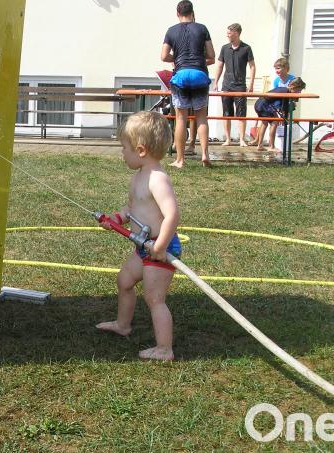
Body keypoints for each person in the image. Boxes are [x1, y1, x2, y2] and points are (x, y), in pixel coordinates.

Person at [96, 111, 181, 361]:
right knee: (124, 281)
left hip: (160, 249)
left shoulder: (158, 179)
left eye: (125, 147)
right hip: (143, 247)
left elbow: (172, 215)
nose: (123, 153)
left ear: (141, 150)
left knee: (155, 298)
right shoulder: (138, 177)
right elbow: (133, 209)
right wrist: (117, 219)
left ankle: (165, 349)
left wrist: (161, 246)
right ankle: (123, 325)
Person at [161, 0, 216, 168]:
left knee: (180, 118)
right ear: (192, 13)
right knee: (201, 117)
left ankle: (180, 159)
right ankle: (205, 155)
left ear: (178, 13)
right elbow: (212, 56)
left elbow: (163, 56)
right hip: (199, 74)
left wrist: (177, 60)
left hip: (181, 75)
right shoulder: (202, 28)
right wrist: (198, 60)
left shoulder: (171, 31)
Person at [213, 23, 255, 147]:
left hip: (240, 85)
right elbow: (220, 66)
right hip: (226, 85)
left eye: (229, 33)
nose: (227, 35)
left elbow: (252, 66)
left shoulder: (246, 48)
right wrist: (216, 82)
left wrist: (251, 84)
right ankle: (228, 139)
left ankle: (242, 139)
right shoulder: (224, 48)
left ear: (236, 33)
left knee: (241, 112)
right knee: (227, 113)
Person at [254, 77, 306, 154]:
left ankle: (260, 145)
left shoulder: (284, 90)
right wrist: (284, 117)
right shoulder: (285, 92)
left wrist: (282, 115)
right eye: (298, 90)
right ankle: (271, 146)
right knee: (274, 123)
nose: (299, 93)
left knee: (264, 123)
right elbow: (283, 107)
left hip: (259, 103)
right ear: (293, 87)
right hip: (264, 105)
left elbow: (279, 106)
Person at [250, 57, 295, 146]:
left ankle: (264, 143)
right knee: (269, 122)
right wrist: (276, 110)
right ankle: (266, 144)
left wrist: (285, 111)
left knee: (275, 122)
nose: (277, 71)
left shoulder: (292, 79)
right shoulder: (277, 80)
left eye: (278, 68)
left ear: (286, 68)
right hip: (274, 104)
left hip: (286, 103)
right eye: (275, 69)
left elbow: (294, 93)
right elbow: (274, 95)